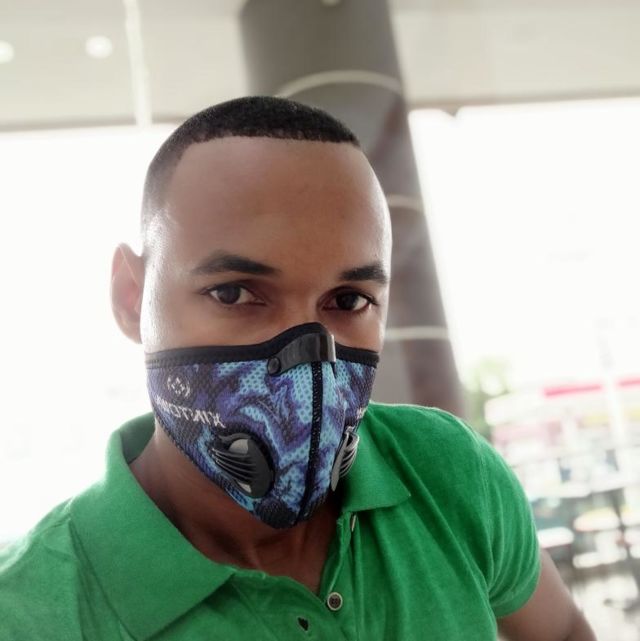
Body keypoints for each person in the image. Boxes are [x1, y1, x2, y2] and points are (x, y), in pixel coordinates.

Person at [0, 97, 595, 640]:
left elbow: (563, 631)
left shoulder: (447, 471)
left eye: (349, 300)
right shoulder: (31, 614)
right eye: (234, 293)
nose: (309, 354)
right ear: (132, 299)